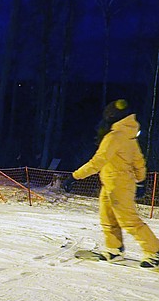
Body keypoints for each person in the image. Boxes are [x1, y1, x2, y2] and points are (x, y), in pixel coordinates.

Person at [63, 99, 159, 268]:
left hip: (118, 185)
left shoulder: (114, 136)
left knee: (129, 220)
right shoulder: (129, 137)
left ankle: (154, 252)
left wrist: (74, 176)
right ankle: (114, 249)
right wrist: (141, 181)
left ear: (112, 116)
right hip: (112, 183)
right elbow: (138, 161)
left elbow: (97, 162)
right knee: (107, 218)